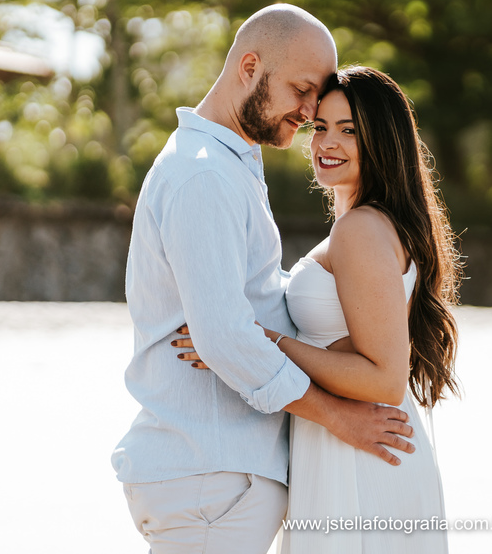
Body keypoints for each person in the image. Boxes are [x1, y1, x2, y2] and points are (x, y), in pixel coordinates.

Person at [112, 6, 416, 554]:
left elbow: (251, 303)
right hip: (210, 473)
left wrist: (331, 341)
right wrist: (337, 416)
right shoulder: (205, 173)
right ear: (249, 66)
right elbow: (226, 335)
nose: (308, 112)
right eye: (302, 91)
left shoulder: (230, 166)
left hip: (220, 477)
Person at [177, 65, 461, 553]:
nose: (326, 143)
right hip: (356, 447)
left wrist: (262, 343)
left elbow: (383, 379)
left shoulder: (361, 230)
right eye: (320, 127)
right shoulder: (368, 223)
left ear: (384, 141)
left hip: (362, 459)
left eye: (349, 130)